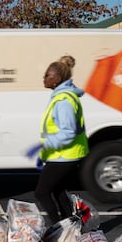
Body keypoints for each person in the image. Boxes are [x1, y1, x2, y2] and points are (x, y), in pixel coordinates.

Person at [27, 55, 89, 227]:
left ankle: (59, 229)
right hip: (62, 154)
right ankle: (71, 228)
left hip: (65, 155)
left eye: (47, 75)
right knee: (58, 191)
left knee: (41, 192)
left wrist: (44, 145)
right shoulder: (62, 97)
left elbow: (68, 132)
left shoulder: (64, 101)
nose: (44, 78)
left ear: (57, 79)